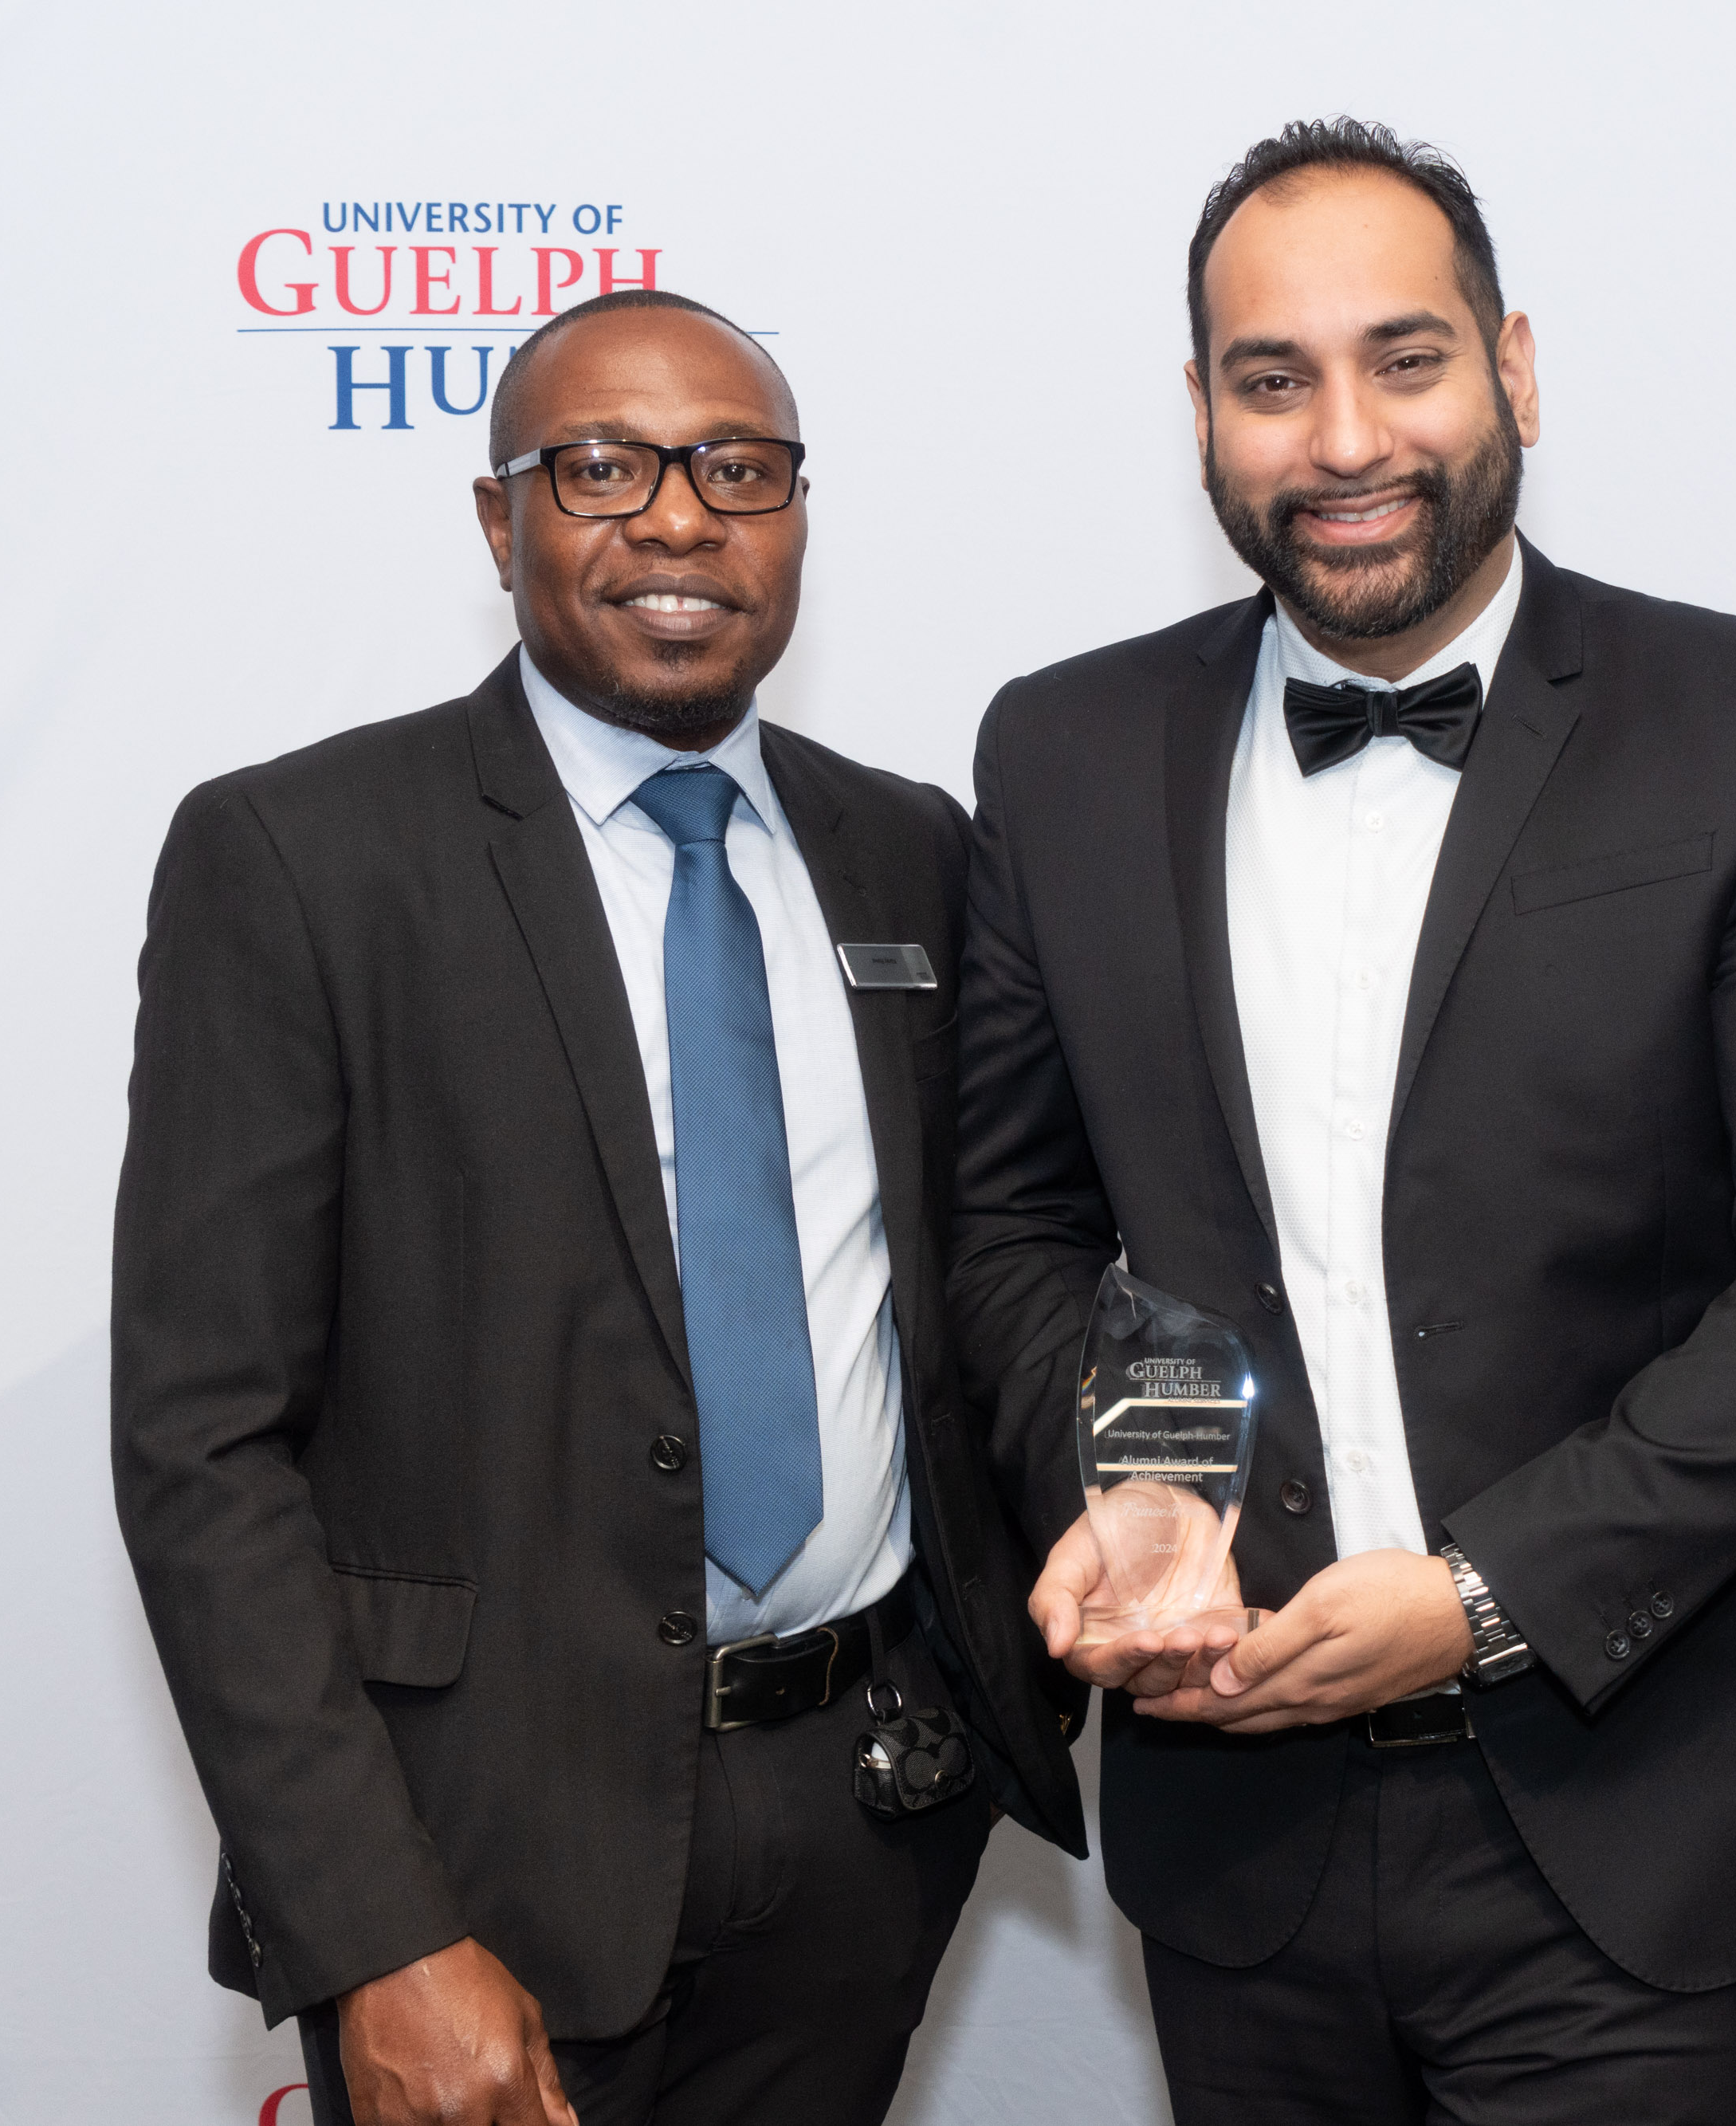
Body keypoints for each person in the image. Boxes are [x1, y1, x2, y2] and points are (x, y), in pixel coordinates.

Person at [952, 119, 1736, 2124]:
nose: (1343, 437)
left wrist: (1487, 1589)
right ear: (1198, 413)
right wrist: (1144, 1486)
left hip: (1646, 1817)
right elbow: (1013, 1225)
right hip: (1236, 1833)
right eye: (1272, 380)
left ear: (1514, 366)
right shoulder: (1058, 749)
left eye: (1402, 360)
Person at [112, 288, 1079, 2126]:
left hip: (866, 1807)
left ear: (795, 512)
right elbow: (200, 1441)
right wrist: (371, 1932)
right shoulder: (300, 857)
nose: (677, 517)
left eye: (738, 467)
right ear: (500, 521)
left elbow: (982, 1286)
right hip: (471, 1850)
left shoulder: (913, 850)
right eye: (600, 467)